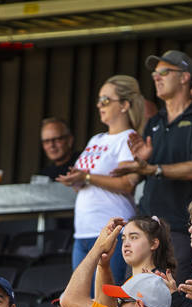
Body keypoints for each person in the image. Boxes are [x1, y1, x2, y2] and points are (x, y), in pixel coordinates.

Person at [117, 50, 192, 280]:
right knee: (134, 299)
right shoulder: (155, 121)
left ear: (184, 77)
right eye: (154, 74)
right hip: (146, 227)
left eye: (163, 72)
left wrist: (155, 168)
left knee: (173, 300)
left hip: (180, 228)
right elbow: (145, 171)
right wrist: (144, 160)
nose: (156, 77)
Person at [59, 75, 143, 277]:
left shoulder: (129, 138)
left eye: (105, 100)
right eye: (98, 100)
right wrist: (76, 179)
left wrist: (87, 177)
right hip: (83, 230)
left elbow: (127, 183)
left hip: (111, 229)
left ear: (124, 105)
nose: (99, 105)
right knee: (80, 299)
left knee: (104, 299)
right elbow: (81, 179)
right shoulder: (96, 139)